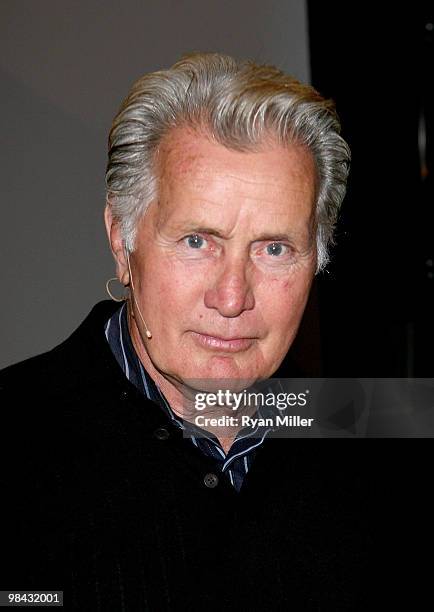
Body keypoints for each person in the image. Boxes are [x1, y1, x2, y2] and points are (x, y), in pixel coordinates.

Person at [1, 52, 370, 610]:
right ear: (123, 243)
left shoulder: (376, 446)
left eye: (274, 249)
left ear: (317, 259)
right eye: (198, 241)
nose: (232, 298)